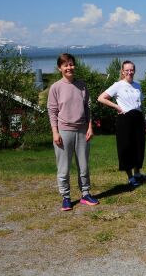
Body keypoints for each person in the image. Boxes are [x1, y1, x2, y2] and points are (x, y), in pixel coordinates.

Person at [47, 53, 99, 211]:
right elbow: (52, 111)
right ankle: (66, 197)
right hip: (64, 132)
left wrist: (90, 127)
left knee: (83, 166)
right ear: (60, 68)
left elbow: (88, 108)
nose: (69, 67)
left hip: (82, 131)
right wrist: (55, 132)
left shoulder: (82, 85)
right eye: (65, 65)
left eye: (71, 64)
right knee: (64, 168)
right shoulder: (56, 87)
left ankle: (85, 194)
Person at [97, 60, 146, 188]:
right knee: (126, 148)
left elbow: (140, 106)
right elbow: (101, 98)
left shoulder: (138, 86)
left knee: (139, 147)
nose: (129, 72)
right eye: (127, 70)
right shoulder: (118, 85)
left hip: (138, 119)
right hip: (125, 120)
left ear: (134, 71)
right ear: (122, 71)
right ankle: (130, 177)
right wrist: (117, 107)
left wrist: (145, 122)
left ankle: (137, 173)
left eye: (131, 70)